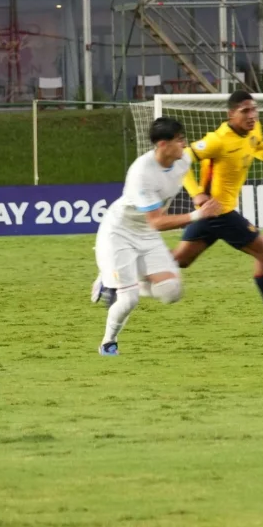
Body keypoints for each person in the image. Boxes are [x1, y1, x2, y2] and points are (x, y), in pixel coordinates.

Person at [174, 90, 263, 329]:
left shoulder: (253, 130)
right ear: (231, 114)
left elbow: (258, 147)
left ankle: (118, 277)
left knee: (179, 261)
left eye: (254, 109)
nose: (252, 115)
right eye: (245, 111)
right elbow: (181, 158)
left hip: (212, 215)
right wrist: (196, 193)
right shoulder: (217, 140)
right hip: (221, 212)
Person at [91, 117, 221, 356]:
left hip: (146, 234)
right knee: (128, 301)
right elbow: (158, 221)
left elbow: (209, 151)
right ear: (162, 144)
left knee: (171, 291)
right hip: (120, 233)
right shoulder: (141, 173)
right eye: (179, 139)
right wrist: (198, 214)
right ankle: (108, 342)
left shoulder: (182, 159)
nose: (184, 144)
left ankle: (116, 282)